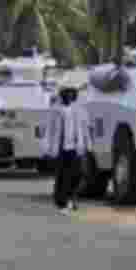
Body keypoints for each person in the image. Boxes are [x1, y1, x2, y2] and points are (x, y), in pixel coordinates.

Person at [44, 83, 91, 214]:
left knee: (78, 174)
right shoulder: (55, 110)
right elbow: (49, 129)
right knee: (62, 176)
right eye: (67, 93)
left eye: (72, 93)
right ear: (62, 95)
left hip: (75, 147)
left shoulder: (79, 109)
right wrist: (47, 148)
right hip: (60, 148)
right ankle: (62, 201)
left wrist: (88, 145)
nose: (70, 95)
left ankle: (69, 197)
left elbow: (85, 128)